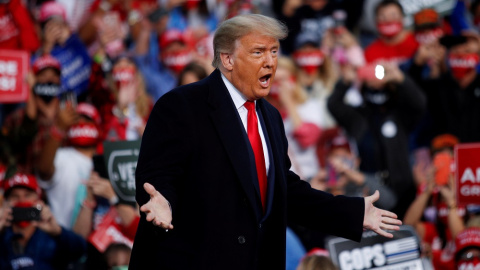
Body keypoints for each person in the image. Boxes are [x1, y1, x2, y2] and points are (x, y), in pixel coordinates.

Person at [129, 14, 401, 270]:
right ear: (228, 59)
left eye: (274, 51)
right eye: (258, 52)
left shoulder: (270, 116)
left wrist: (350, 213)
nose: (270, 61)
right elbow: (157, 176)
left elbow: (285, 191)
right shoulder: (182, 105)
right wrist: (161, 201)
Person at [0, 173, 86, 269]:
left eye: (27, 195)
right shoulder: (3, 235)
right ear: (6, 202)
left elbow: (81, 250)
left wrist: (58, 231)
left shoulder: (50, 235)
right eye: (15, 196)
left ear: (38, 199)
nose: (22, 200)